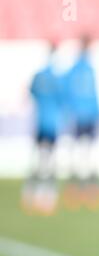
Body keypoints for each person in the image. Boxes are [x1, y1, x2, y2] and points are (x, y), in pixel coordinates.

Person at [62, 35, 99, 210]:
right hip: (88, 116)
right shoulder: (88, 68)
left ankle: (75, 192)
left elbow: (67, 92)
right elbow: (93, 94)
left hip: (78, 116)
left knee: (78, 152)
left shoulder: (74, 68)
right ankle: (89, 192)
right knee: (88, 153)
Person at [22, 41, 63, 216]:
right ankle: (48, 197)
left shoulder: (39, 75)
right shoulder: (57, 77)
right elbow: (63, 100)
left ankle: (29, 194)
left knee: (37, 159)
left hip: (40, 122)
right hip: (52, 123)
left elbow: (30, 92)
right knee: (50, 161)